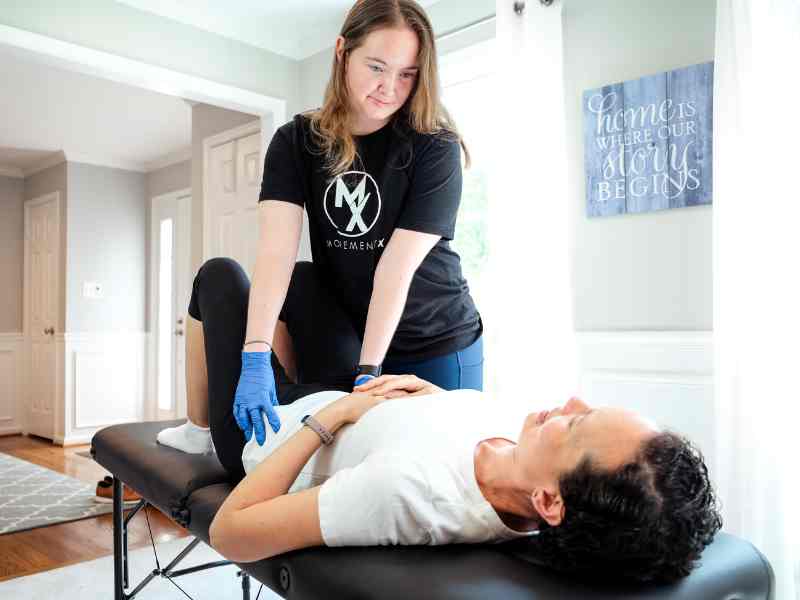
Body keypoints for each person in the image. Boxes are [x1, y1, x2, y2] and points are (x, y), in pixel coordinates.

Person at [159, 257, 722, 585]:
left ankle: (200, 427)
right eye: (588, 408)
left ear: (551, 502)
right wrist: (428, 394)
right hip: (341, 404)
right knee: (305, 278)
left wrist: (335, 416)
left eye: (575, 427)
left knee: (219, 276)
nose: (569, 404)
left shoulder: (410, 495)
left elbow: (233, 533)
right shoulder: (526, 451)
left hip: (270, 432)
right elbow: (449, 427)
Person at [235, 0, 485, 448]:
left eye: (407, 73)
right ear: (341, 52)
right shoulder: (296, 142)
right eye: (376, 67)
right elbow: (277, 255)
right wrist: (255, 353)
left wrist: (368, 375)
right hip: (352, 332)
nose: (389, 88)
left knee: (441, 465)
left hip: (437, 339)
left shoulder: (435, 146)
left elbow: (396, 268)